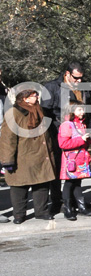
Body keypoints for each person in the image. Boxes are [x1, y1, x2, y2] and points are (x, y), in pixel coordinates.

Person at [0, 87, 56, 224]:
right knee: (19, 186)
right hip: (22, 155)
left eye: (36, 94)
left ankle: (41, 211)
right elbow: (8, 139)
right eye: (33, 95)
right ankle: (19, 215)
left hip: (41, 154)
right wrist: (8, 160)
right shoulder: (14, 113)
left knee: (41, 184)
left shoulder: (40, 110)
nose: (37, 97)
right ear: (24, 98)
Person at [41, 60, 85, 214]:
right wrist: (58, 127)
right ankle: (57, 201)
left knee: (75, 168)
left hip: (78, 135)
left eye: (81, 78)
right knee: (58, 168)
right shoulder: (52, 87)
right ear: (67, 74)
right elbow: (45, 112)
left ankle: (74, 201)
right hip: (58, 135)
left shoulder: (82, 88)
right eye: (76, 78)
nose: (79, 81)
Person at [58, 102, 91, 220]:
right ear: (71, 111)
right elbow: (63, 144)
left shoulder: (81, 124)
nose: (82, 112)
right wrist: (81, 139)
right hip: (71, 160)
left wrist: (89, 139)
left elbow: (82, 142)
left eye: (83, 110)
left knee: (78, 182)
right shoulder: (66, 125)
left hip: (81, 158)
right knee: (69, 183)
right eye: (79, 110)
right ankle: (67, 208)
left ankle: (81, 206)